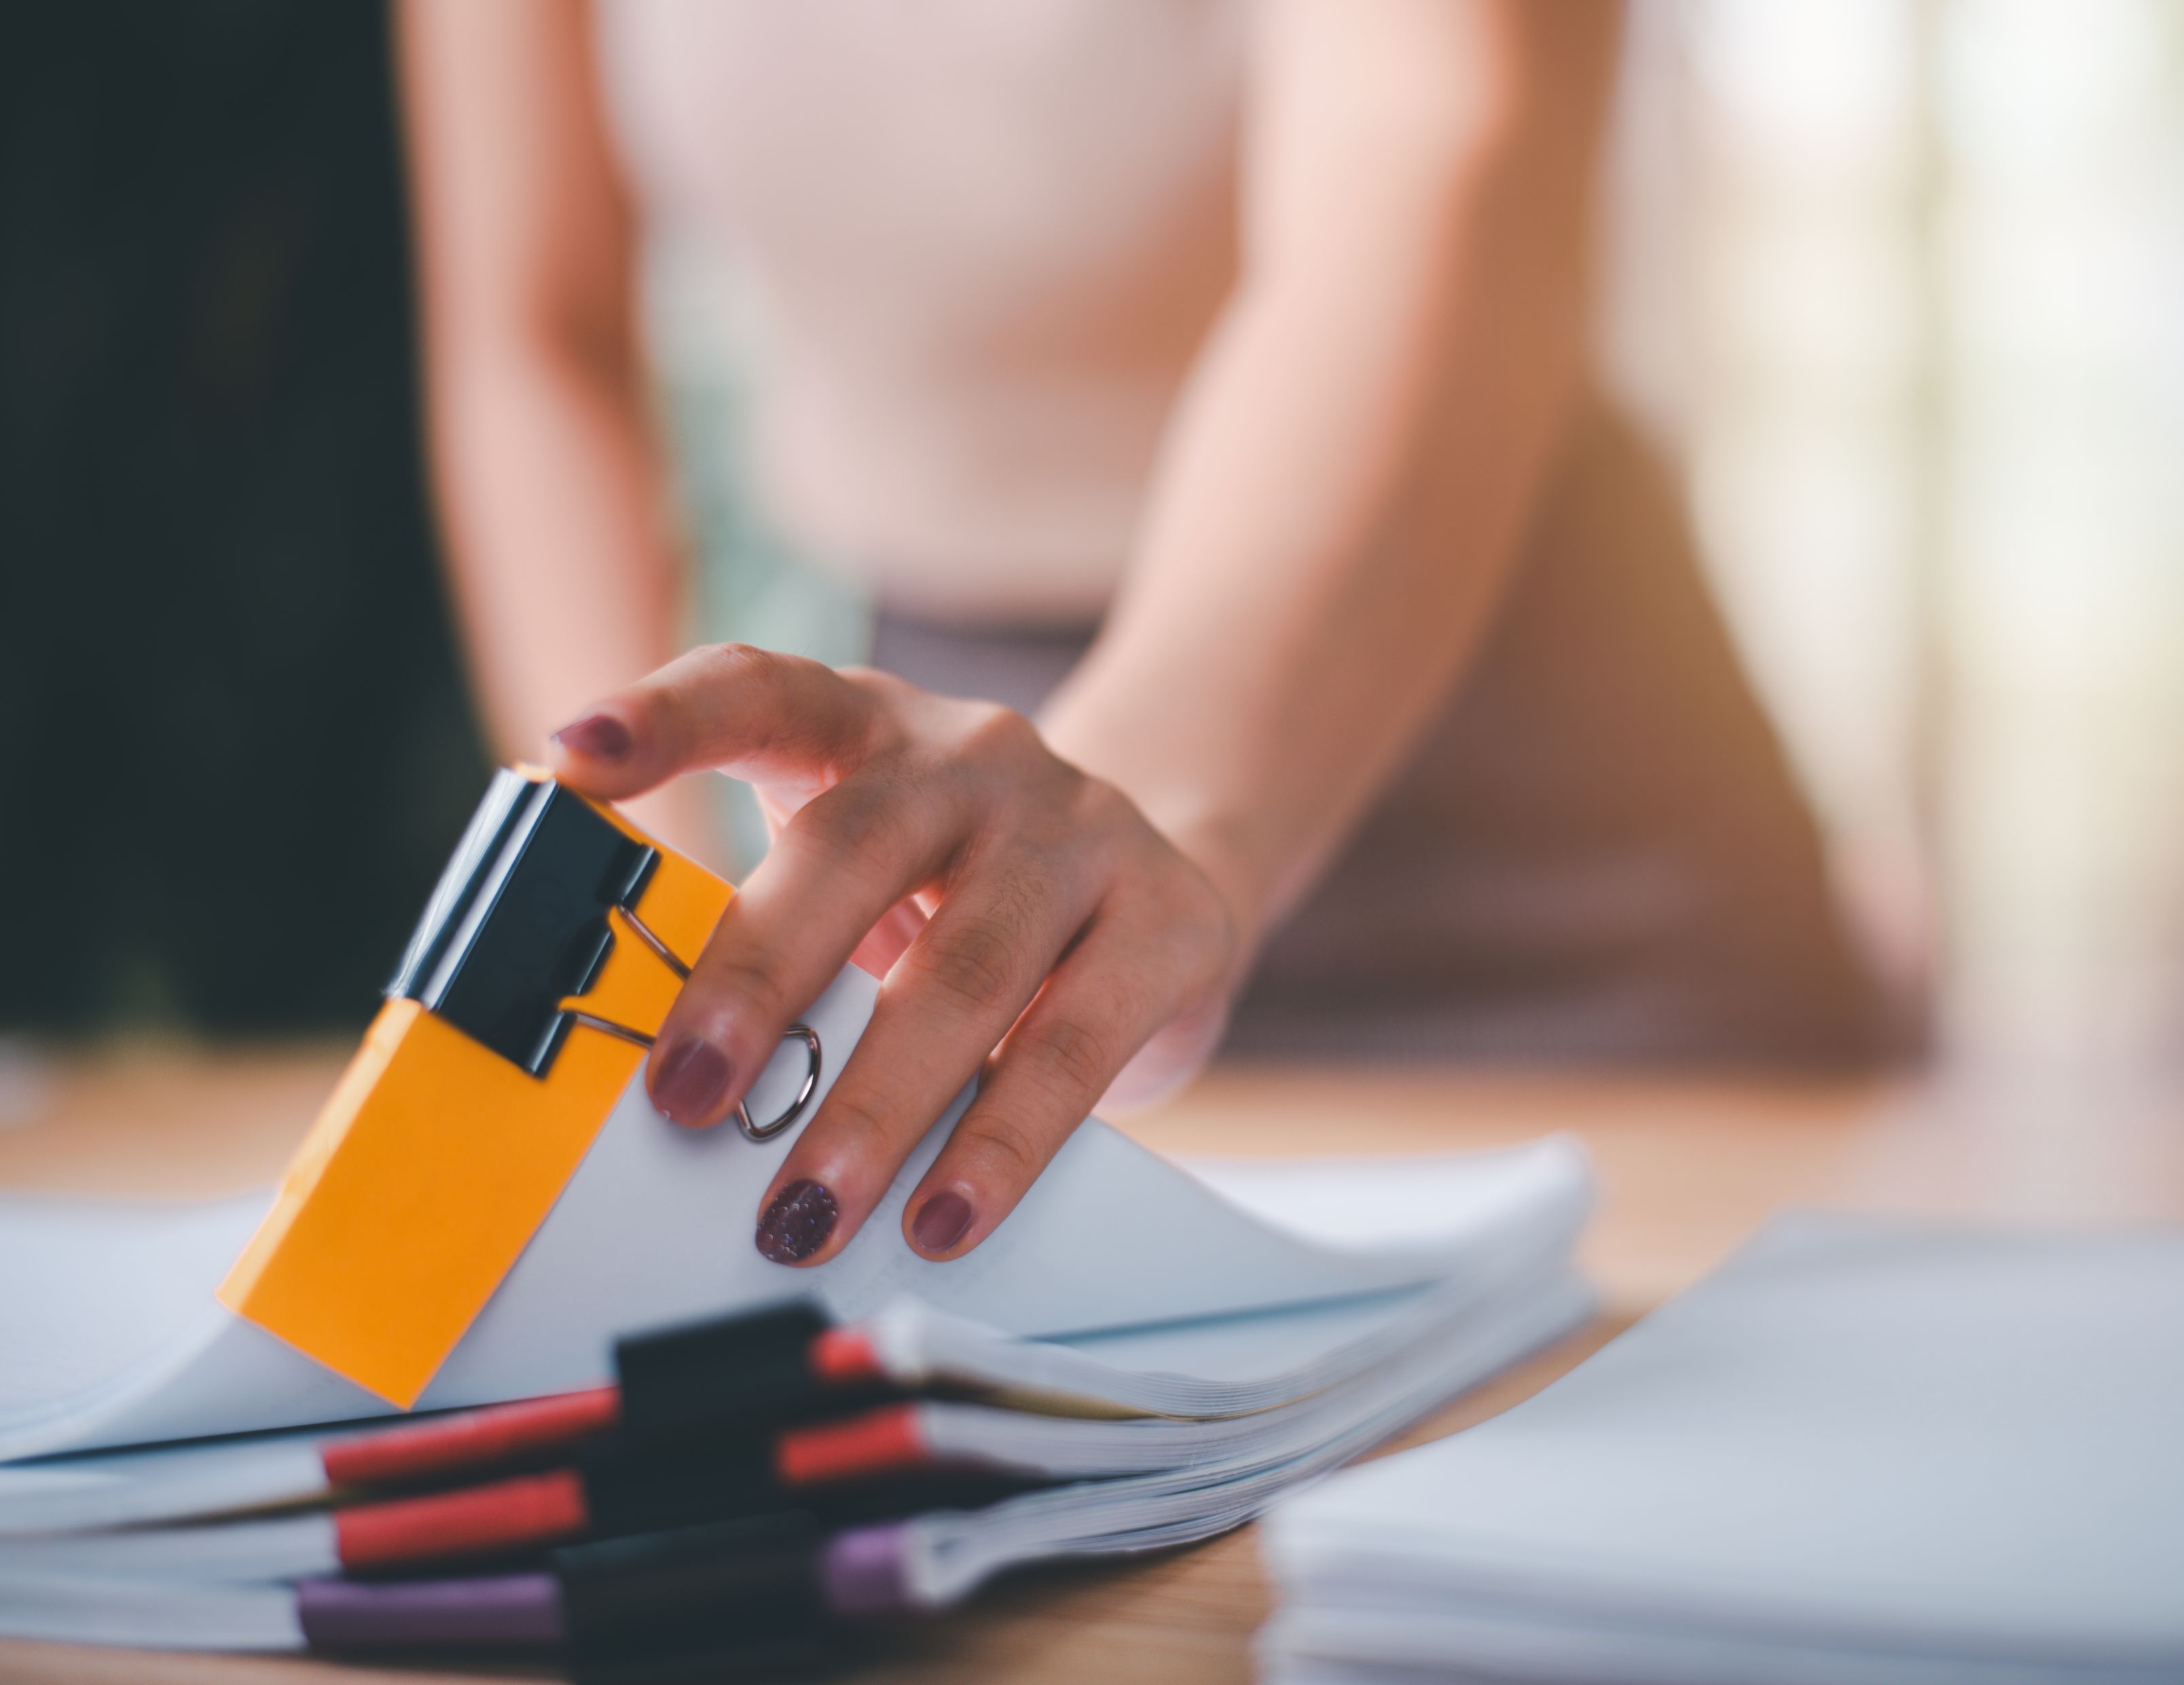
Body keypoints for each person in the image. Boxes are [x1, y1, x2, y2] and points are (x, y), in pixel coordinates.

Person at [398, 0, 1902, 1273]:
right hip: (960, 812)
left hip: (1515, 817)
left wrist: (1148, 816)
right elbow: (537, 335)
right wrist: (663, 958)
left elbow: (1444, 157)